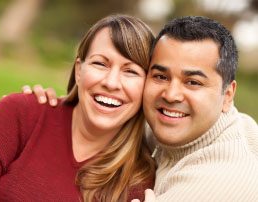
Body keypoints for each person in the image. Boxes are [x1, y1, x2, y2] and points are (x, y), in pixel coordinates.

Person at [30, 16, 258, 202]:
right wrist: (55, 108)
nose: (170, 95)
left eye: (193, 82)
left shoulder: (222, 182)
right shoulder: (169, 123)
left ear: (227, 95)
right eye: (160, 76)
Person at [0, 14, 156, 202]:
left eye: (130, 71)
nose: (111, 83)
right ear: (79, 71)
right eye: (100, 63)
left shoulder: (138, 182)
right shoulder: (21, 113)